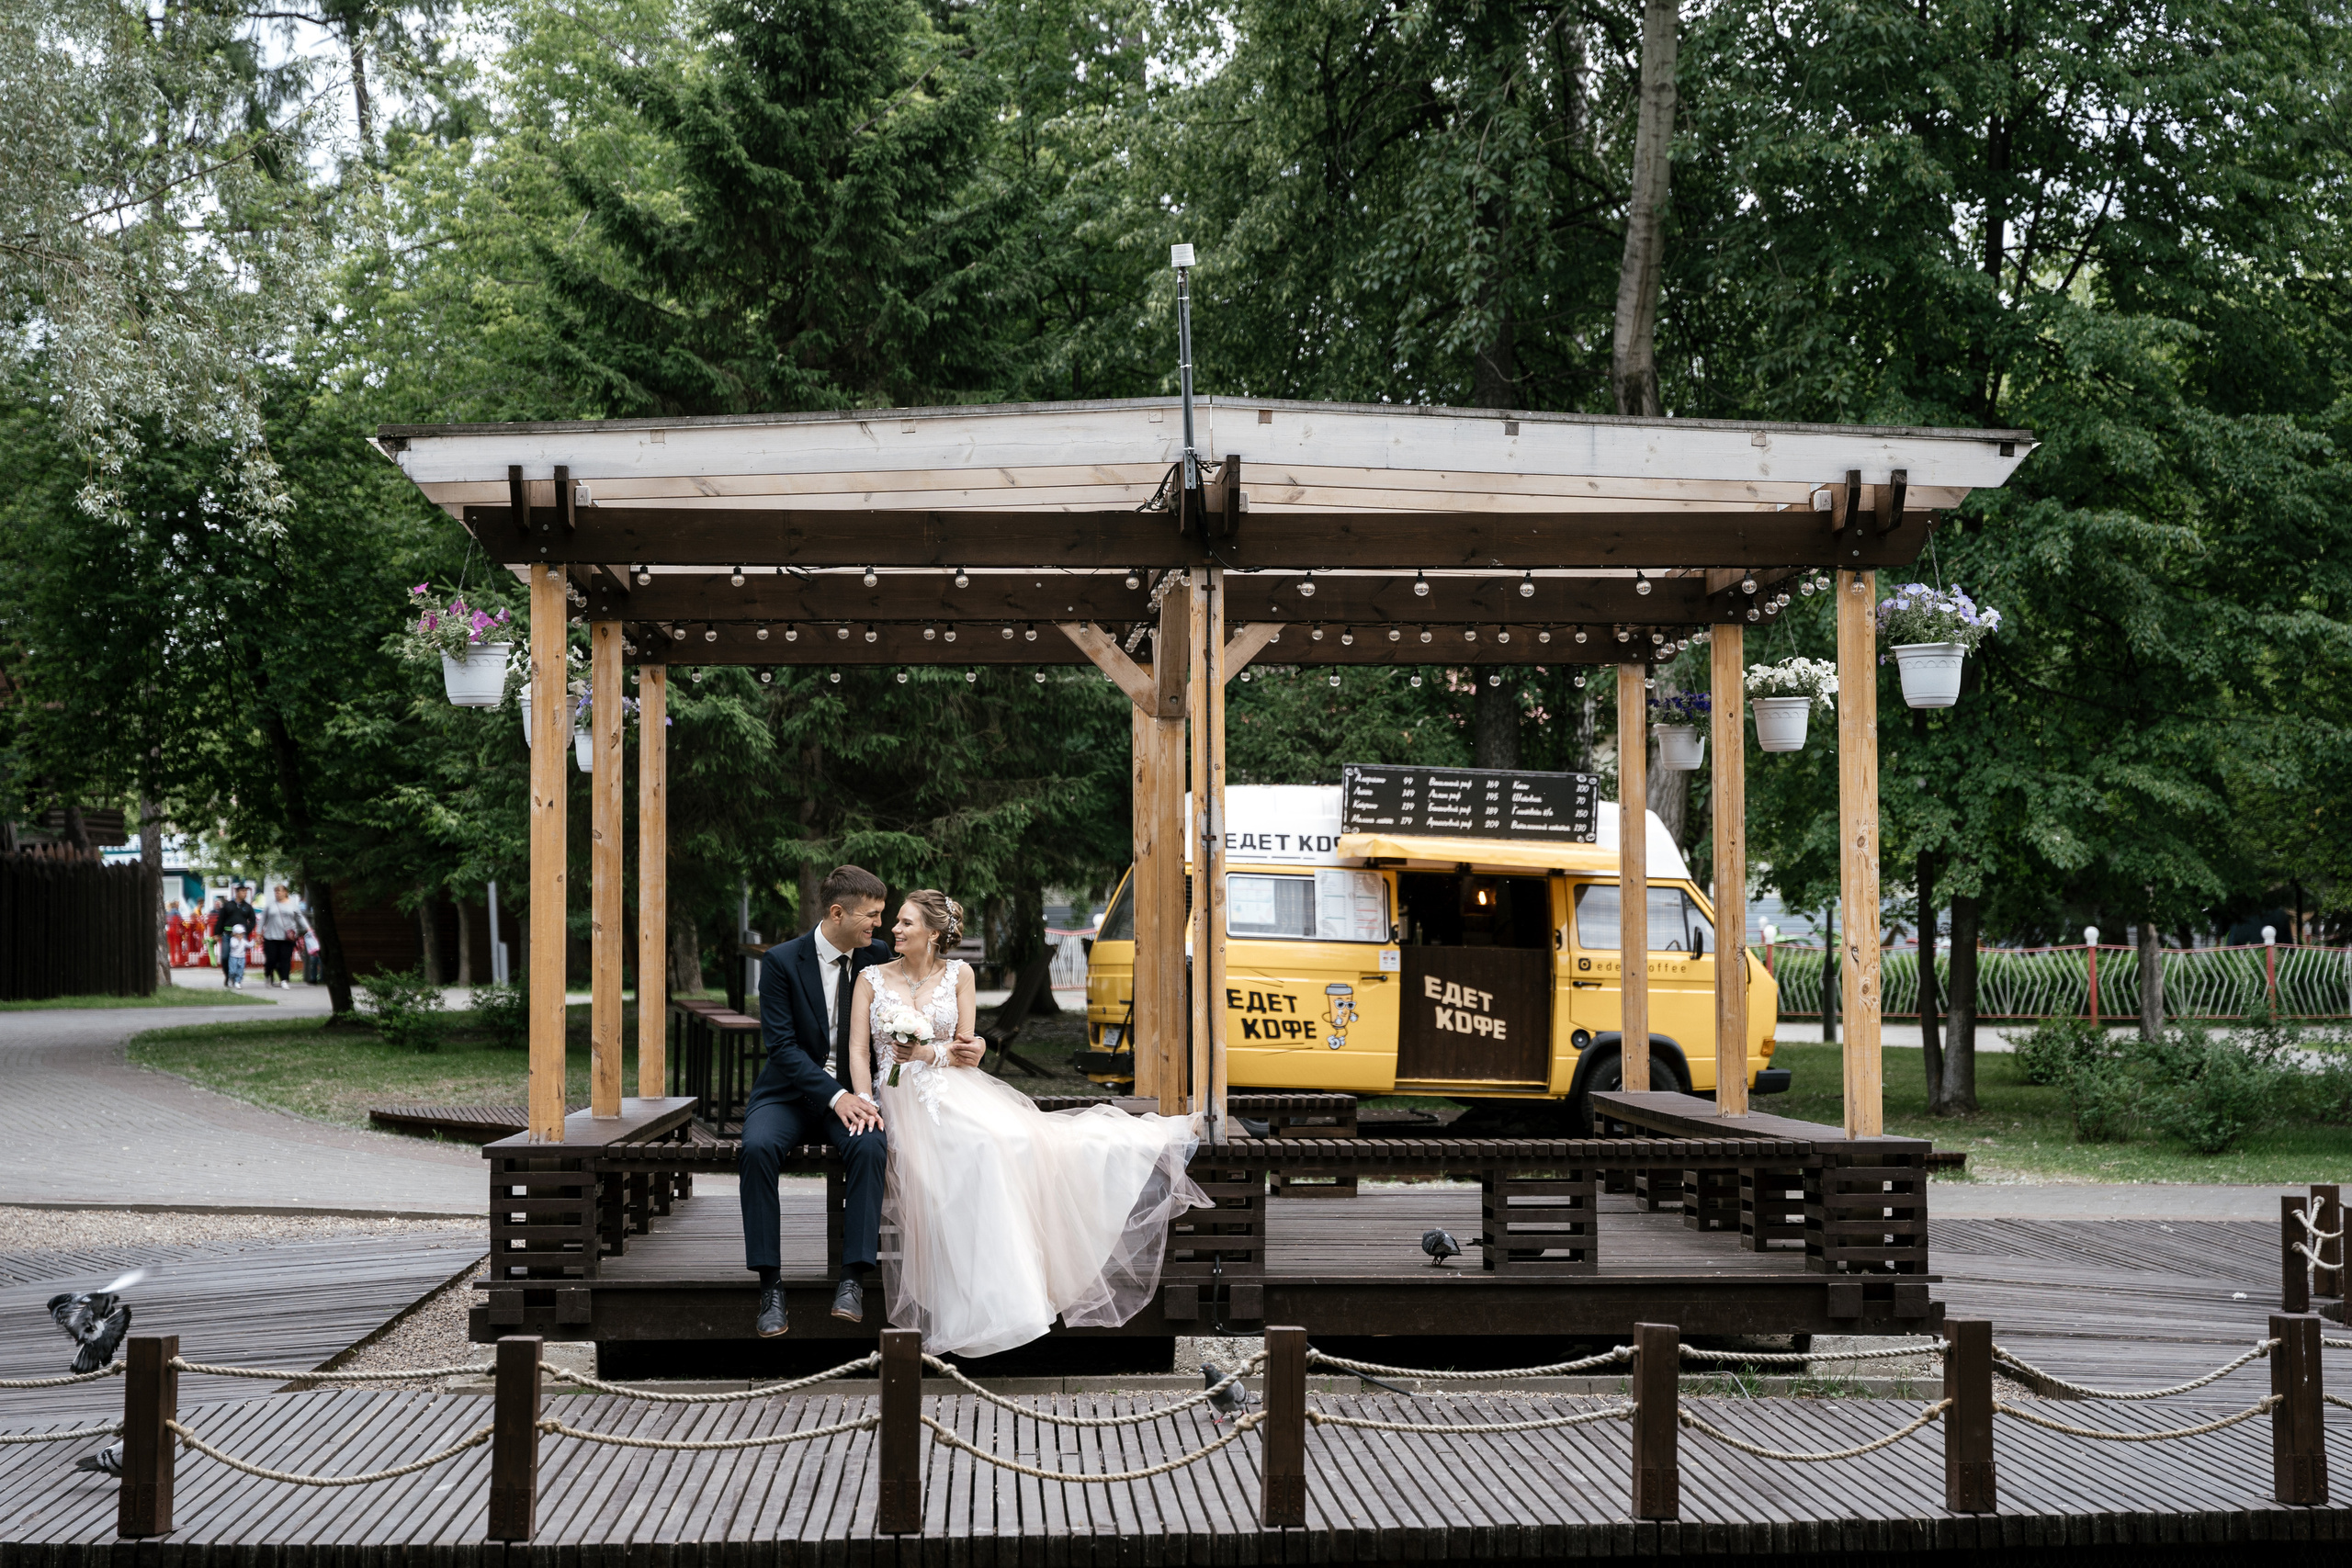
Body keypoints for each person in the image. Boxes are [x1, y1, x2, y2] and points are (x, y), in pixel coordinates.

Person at [852, 889, 1206, 1358]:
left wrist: (933, 1051)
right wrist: (863, 1099)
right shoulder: (871, 978)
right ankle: (978, 1299)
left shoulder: (960, 974)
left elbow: (965, 1052)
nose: (894, 930)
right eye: (895, 922)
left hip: (952, 1088)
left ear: (933, 934)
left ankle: (1016, 1287)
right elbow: (859, 1050)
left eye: (905, 923)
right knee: (978, 1151)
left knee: (1017, 1139)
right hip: (899, 1099)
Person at [739, 865, 896, 1337]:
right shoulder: (783, 962)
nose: (879, 926)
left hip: (852, 1093)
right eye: (871, 916)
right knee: (757, 1149)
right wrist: (835, 1096)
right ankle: (770, 1286)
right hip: (787, 1094)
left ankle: (852, 1278)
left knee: (870, 1147)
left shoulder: (878, 957)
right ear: (836, 912)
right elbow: (782, 1048)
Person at [257, 885, 309, 989]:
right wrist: (258, 933)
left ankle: (284, 980)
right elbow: (263, 919)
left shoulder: (292, 904)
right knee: (271, 960)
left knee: (285, 959)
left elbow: (300, 917)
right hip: (271, 937)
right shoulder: (270, 905)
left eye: (279, 891)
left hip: (287, 938)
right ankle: (268, 975)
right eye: (276, 891)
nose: (277, 893)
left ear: (285, 892)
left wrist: (308, 928)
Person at [216, 887, 259, 989]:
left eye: (246, 892)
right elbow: (221, 919)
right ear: (237, 892)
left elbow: (253, 920)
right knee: (225, 957)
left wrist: (246, 931)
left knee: (239, 958)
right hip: (228, 934)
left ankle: (237, 979)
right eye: (243, 891)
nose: (245, 893)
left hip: (241, 937)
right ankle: (229, 976)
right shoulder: (228, 905)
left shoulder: (247, 907)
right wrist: (217, 933)